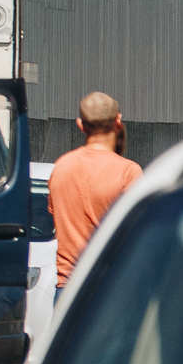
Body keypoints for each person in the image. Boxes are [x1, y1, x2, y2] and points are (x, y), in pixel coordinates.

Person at [50, 91, 141, 288]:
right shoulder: (129, 172)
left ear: (80, 125)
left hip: (67, 288)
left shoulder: (61, 167)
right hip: (109, 289)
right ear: (118, 121)